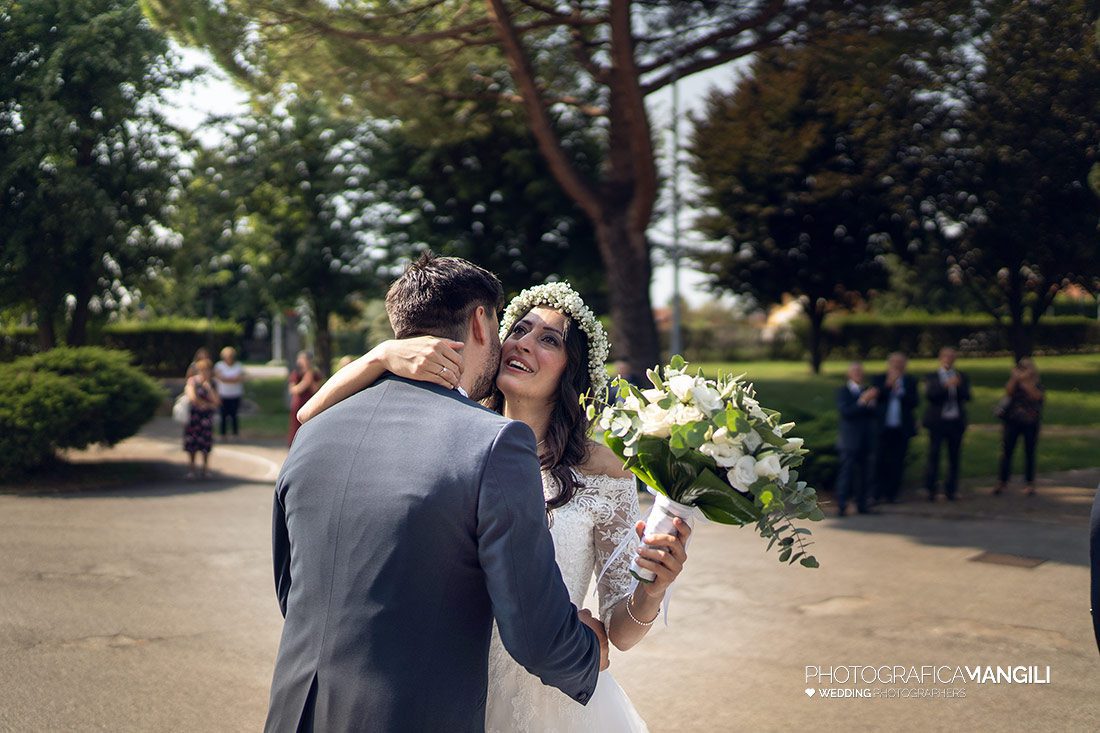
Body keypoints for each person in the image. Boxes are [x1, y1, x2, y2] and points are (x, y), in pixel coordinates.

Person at [298, 275, 691, 731]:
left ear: (573, 370)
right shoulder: (456, 437)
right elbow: (311, 415)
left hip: (552, 698)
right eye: (519, 329)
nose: (523, 343)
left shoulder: (605, 473)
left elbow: (619, 632)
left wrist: (652, 589)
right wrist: (382, 354)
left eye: (549, 339)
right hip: (448, 687)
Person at [922, 347, 971, 502]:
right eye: (946, 357)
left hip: (955, 421)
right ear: (941, 358)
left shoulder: (961, 376)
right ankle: (931, 489)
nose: (949, 360)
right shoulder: (932, 376)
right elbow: (930, 395)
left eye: (952, 357)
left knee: (954, 456)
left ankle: (951, 489)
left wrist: (958, 386)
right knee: (934, 454)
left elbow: (967, 396)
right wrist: (946, 386)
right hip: (938, 422)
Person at [872, 352, 919, 504]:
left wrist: (900, 391)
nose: (897, 366)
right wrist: (888, 385)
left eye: (900, 363)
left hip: (901, 428)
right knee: (880, 460)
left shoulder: (910, 381)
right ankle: (876, 493)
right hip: (882, 428)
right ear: (889, 364)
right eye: (894, 363)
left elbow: (914, 402)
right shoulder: (879, 379)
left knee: (898, 461)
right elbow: (875, 398)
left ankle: (892, 494)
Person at [992, 358, 1044, 497]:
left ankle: (1029, 483)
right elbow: (1008, 391)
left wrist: (1025, 380)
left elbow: (1035, 396)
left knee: (1029, 452)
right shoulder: (1015, 383)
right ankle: (1002, 481)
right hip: (1012, 421)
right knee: (1007, 451)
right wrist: (1015, 378)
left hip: (1030, 422)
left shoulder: (1036, 384)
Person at [835, 362, 878, 516]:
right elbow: (846, 412)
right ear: (849, 374)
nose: (858, 374)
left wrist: (871, 402)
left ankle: (862, 504)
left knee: (865, 473)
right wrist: (863, 400)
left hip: (866, 438)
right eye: (855, 372)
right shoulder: (843, 391)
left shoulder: (867, 390)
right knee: (846, 472)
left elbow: (874, 414)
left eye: (860, 371)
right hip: (849, 439)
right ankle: (842, 504)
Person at [183, 358, 220, 479]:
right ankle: (192, 469)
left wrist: (208, 388)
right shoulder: (192, 381)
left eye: (207, 370)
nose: (205, 372)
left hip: (206, 418)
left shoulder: (213, 383)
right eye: (202, 370)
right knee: (192, 444)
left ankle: (205, 468)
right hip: (194, 417)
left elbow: (217, 401)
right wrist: (204, 404)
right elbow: (192, 397)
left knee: (206, 444)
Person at [286, 351, 321, 446]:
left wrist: (310, 378)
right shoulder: (296, 373)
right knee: (295, 427)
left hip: (310, 404)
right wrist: (305, 382)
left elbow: (316, 390)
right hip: (298, 403)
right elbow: (293, 389)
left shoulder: (314, 374)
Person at [214, 347, 245, 441]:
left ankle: (235, 434)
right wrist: (232, 379)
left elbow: (240, 378)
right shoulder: (219, 365)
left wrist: (227, 379)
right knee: (223, 415)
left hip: (235, 394)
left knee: (234, 415)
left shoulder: (238, 365)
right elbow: (219, 377)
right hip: (223, 394)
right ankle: (223, 434)